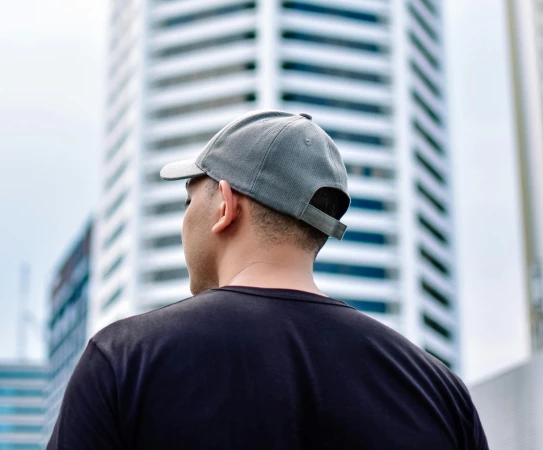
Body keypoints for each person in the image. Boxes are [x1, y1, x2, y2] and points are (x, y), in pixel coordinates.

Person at [47, 109, 488, 449]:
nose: (184, 220)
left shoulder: (125, 360)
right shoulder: (437, 391)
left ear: (225, 204)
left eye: (188, 200)